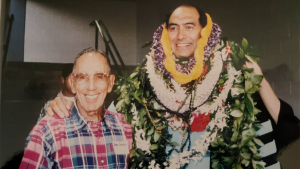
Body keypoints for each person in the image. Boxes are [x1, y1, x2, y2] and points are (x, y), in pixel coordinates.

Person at [44, 5, 299, 169]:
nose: (181, 36)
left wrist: (260, 81)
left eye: (190, 27)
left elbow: (289, 134)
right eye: (173, 28)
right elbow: (100, 124)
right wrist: (64, 108)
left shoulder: (231, 82)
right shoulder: (145, 86)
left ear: (204, 33)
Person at [20, 48, 132, 168]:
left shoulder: (125, 127)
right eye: (82, 77)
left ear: (110, 83)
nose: (91, 87)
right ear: (72, 83)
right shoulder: (46, 132)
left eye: (99, 77)